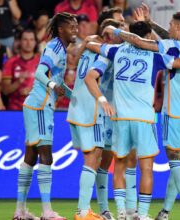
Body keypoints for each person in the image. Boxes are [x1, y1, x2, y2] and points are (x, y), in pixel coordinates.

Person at [85, 20, 180, 220]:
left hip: (121, 118)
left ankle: (121, 212)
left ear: (131, 34)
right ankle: (142, 214)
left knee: (120, 165)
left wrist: (88, 42)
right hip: (144, 118)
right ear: (147, 37)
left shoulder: (116, 51)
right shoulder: (155, 56)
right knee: (146, 168)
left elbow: (95, 47)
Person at [13, 12, 78, 220]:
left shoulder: (60, 48)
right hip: (40, 106)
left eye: (76, 26)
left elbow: (58, 82)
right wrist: (53, 86)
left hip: (37, 105)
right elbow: (40, 73)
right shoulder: (55, 47)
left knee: (30, 158)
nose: (75, 30)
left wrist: (75, 95)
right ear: (61, 29)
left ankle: (20, 212)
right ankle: (47, 212)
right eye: (71, 26)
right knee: (46, 157)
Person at [67, 19, 125, 220]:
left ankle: (89, 210)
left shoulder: (91, 46)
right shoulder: (105, 52)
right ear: (109, 34)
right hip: (91, 110)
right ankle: (83, 211)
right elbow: (89, 78)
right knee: (93, 159)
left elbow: (76, 57)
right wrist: (102, 100)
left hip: (76, 109)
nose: (122, 34)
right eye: (119, 30)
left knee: (94, 159)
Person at [2, 29, 39, 110]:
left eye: (31, 40)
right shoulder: (10, 62)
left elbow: (49, 89)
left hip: (37, 110)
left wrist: (33, 92)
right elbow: (5, 91)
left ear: (35, 42)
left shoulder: (42, 63)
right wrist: (18, 82)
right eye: (25, 39)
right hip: (15, 109)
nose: (28, 43)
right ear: (20, 42)